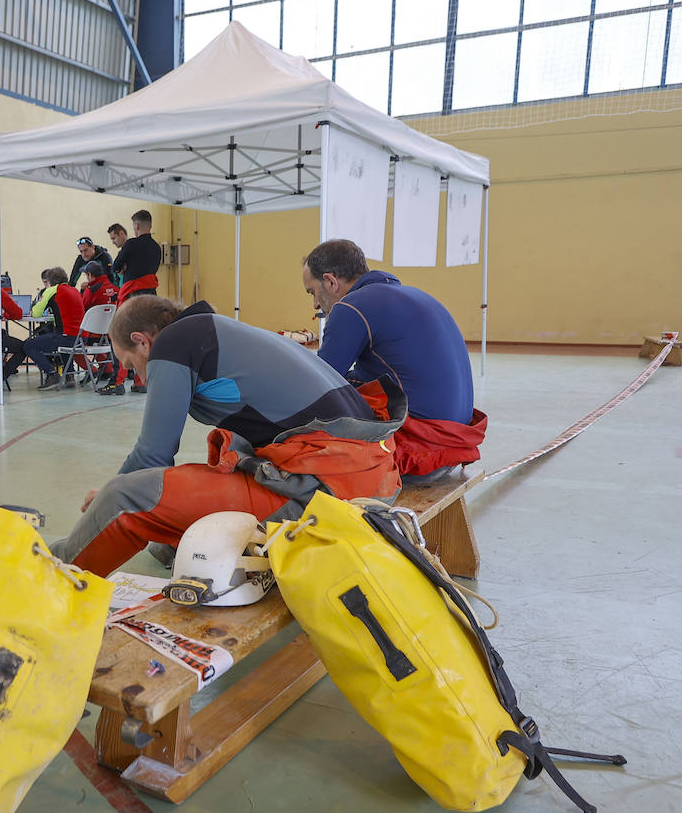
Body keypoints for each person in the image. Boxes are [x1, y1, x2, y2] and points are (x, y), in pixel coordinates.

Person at [49, 296, 406, 577]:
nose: (138, 377)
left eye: (130, 364)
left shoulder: (173, 343)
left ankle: (50, 572)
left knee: (123, 497)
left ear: (142, 341)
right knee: (175, 525)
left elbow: (153, 454)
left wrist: (110, 491)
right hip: (368, 474)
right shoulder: (213, 329)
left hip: (333, 495)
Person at [303, 239, 487, 481]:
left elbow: (320, 383)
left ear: (330, 281)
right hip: (457, 443)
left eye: (313, 292)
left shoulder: (351, 307)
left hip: (420, 451)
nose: (316, 304)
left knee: (308, 426)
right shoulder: (416, 295)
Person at [100, 209, 164, 396]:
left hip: (131, 297)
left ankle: (117, 382)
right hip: (151, 297)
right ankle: (141, 380)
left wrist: (125, 267)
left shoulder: (131, 244)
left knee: (122, 336)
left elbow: (117, 267)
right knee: (145, 338)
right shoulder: (156, 248)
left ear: (136, 226)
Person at [23, 267, 85, 390]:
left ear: (50, 281)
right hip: (80, 339)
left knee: (28, 345)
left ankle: (52, 374)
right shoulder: (75, 291)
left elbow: (35, 314)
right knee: (62, 343)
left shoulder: (51, 290)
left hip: (65, 337)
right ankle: (69, 375)